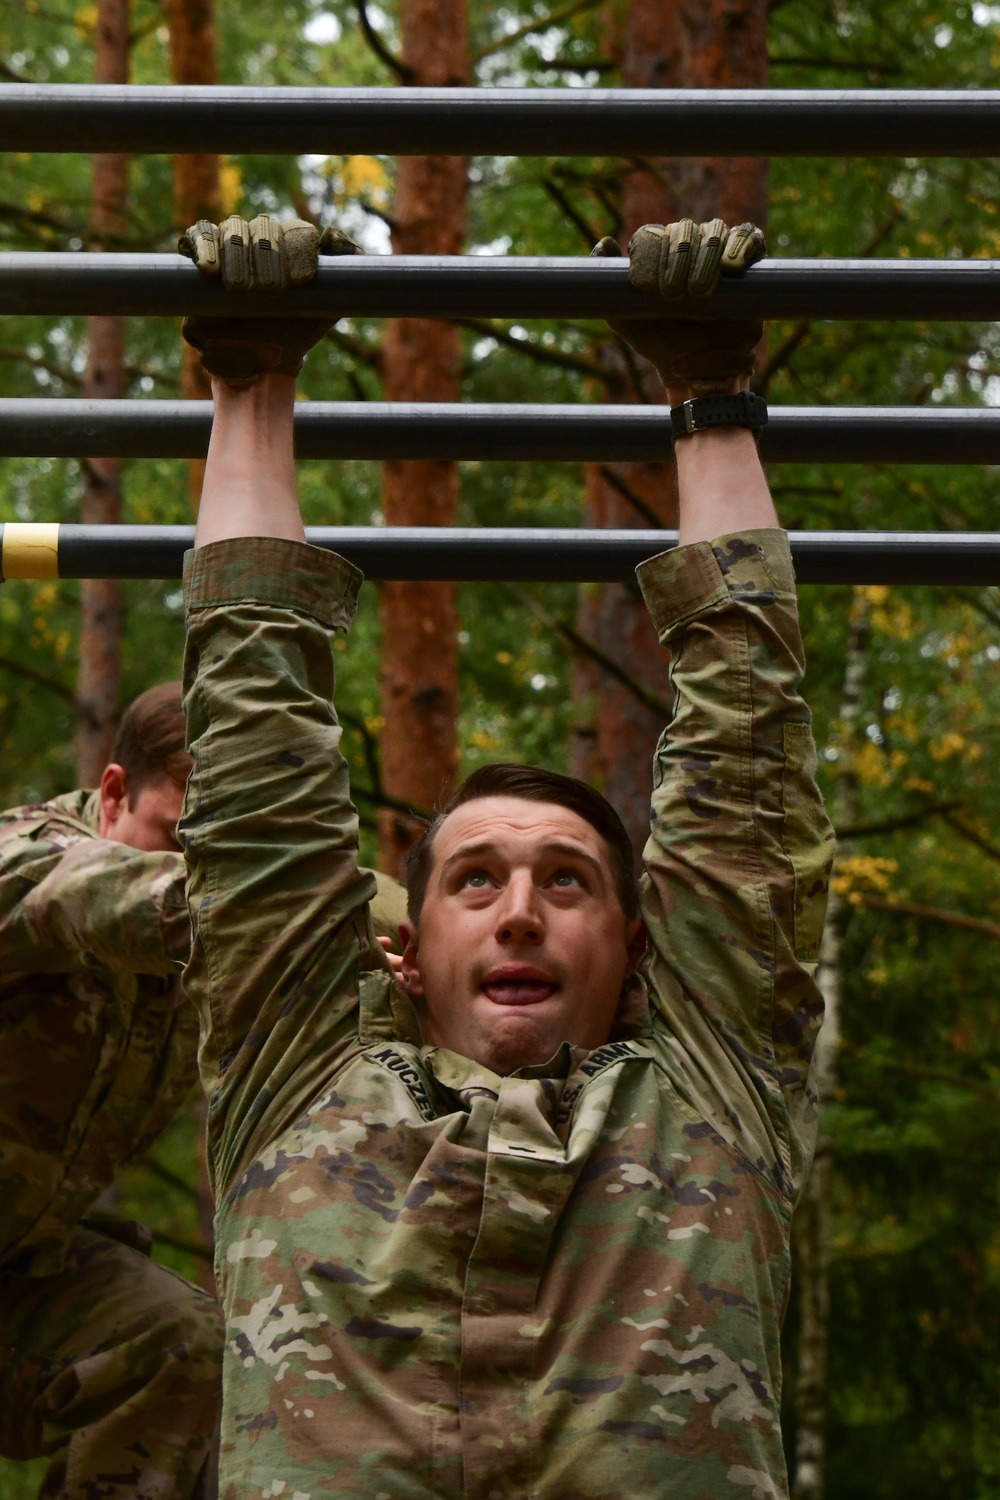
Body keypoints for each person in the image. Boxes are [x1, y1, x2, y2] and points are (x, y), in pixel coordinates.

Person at [177, 213, 835, 1498]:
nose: (521, 910)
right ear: (404, 954)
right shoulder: (299, 1082)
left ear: (638, 950)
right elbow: (255, 769)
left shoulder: (701, 1097)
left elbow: (747, 765)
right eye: (473, 881)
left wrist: (708, 390)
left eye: (568, 880)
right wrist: (249, 374)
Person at [0, 678, 408, 1499]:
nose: (202, 875)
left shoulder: (218, 940)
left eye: (232, 858)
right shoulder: (27, 855)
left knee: (176, 1342)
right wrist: (285, 914)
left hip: (19, 1280)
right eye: (184, 840)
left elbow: (408, 916)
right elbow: (92, 896)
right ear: (114, 792)